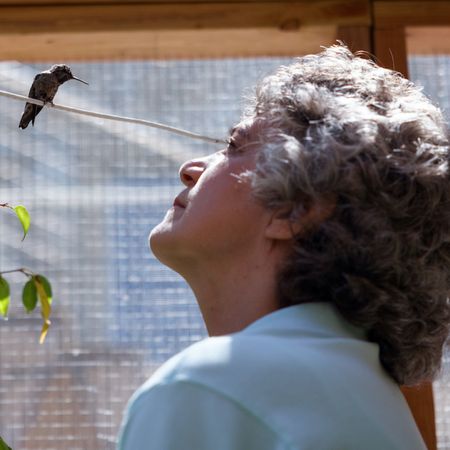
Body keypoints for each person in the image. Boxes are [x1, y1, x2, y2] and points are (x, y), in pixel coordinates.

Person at [117, 44, 450, 449]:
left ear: (295, 209)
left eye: (235, 145)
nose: (189, 170)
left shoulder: (210, 388)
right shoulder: (379, 406)